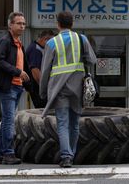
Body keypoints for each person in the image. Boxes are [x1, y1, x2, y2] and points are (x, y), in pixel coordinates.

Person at [40, 11, 97, 168]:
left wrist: (43, 91)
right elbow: (92, 59)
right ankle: (71, 154)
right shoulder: (81, 39)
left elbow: (45, 71)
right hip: (77, 87)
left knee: (62, 123)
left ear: (57, 24)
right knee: (74, 123)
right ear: (72, 24)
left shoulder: (51, 43)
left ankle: (66, 157)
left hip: (59, 89)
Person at [0, 11, 31, 165]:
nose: (22, 26)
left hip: (16, 86)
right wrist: (18, 72)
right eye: (19, 23)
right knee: (9, 120)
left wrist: (27, 85)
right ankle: (8, 153)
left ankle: (2, 154)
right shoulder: (5, 41)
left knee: (7, 119)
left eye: (23, 23)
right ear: (10, 25)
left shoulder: (18, 43)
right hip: (7, 87)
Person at [26, 30, 55, 108]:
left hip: (39, 88)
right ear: (45, 39)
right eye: (51, 42)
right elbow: (35, 71)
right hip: (37, 88)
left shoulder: (40, 48)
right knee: (43, 110)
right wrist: (44, 88)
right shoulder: (35, 49)